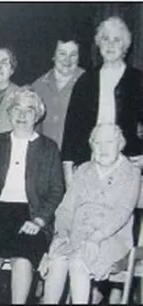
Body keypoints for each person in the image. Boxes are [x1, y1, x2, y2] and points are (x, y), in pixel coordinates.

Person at [0, 87, 65, 304]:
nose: (22, 115)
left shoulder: (49, 148)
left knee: (22, 261)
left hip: (31, 214)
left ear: (38, 115)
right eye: (17, 109)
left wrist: (39, 221)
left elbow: (56, 191)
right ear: (9, 113)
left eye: (29, 110)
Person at [42, 123, 141, 304]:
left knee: (79, 259)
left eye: (109, 142)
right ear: (91, 145)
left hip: (112, 237)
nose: (102, 148)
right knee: (57, 258)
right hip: (77, 233)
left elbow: (123, 212)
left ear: (120, 144)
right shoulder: (83, 170)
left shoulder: (131, 173)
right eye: (97, 143)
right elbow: (66, 208)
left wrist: (96, 237)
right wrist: (62, 233)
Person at [62, 16, 143, 187]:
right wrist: (68, 172)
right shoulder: (85, 81)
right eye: (105, 39)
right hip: (89, 162)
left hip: (127, 162)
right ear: (99, 44)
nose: (111, 45)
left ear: (125, 46)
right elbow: (71, 129)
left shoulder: (138, 80)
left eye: (117, 40)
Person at [31, 38, 85, 148]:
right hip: (46, 156)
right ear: (53, 55)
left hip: (78, 156)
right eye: (62, 54)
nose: (67, 60)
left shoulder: (89, 82)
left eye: (73, 55)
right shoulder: (38, 85)